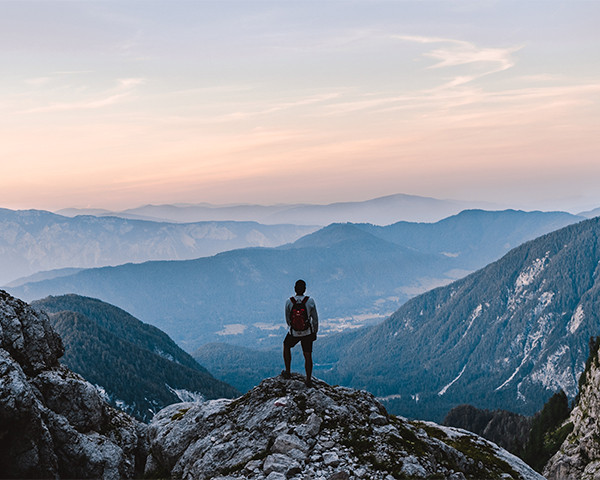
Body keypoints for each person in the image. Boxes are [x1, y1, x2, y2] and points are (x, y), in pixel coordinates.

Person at [282, 279, 318, 387]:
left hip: (294, 333)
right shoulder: (310, 301)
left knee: (286, 345)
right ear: (305, 289)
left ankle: (288, 371)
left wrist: (294, 328)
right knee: (307, 355)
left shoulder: (289, 302)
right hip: (307, 332)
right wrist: (314, 332)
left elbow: (288, 320)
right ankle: (308, 379)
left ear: (294, 289)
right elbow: (315, 319)